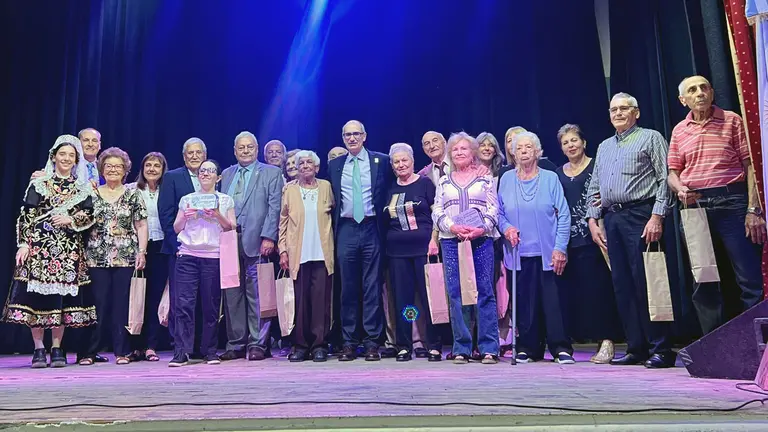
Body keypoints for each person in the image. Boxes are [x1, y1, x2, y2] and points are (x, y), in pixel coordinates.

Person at [668, 75, 766, 335]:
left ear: (712, 92)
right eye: (692, 90)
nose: (699, 93)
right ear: (683, 100)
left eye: (704, 87)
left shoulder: (732, 120)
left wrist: (753, 209)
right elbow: (672, 172)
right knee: (704, 279)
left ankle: (754, 343)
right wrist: (680, 189)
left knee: (748, 277)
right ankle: (713, 345)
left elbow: (751, 166)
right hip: (695, 206)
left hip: (732, 202)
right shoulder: (680, 130)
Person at [586, 92, 675, 369]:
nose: (618, 113)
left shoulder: (651, 137)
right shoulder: (604, 146)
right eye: (613, 109)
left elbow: (664, 179)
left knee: (648, 283)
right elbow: (594, 187)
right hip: (612, 219)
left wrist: (657, 215)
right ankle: (636, 347)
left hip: (641, 215)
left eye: (624, 108)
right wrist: (592, 220)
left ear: (636, 112)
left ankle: (661, 348)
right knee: (622, 286)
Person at [3, 134, 97, 368]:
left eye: (71, 155)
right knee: (36, 300)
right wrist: (23, 244)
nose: (66, 158)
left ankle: (57, 348)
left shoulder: (82, 189)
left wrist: (70, 219)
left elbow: (90, 215)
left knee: (61, 301)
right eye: (62, 154)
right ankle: (38, 349)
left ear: (76, 160)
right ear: (53, 156)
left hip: (68, 251)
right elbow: (26, 215)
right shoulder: (39, 183)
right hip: (39, 250)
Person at [498, 132, 574, 364]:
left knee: (553, 303)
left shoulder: (550, 177)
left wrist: (560, 247)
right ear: (512, 152)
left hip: (548, 252)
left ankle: (560, 348)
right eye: (518, 148)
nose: (523, 151)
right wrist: (507, 228)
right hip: (518, 252)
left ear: (538, 152)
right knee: (525, 302)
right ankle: (528, 348)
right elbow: (499, 213)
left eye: (528, 147)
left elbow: (564, 214)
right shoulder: (506, 179)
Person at [328, 120, 393, 361]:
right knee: (348, 287)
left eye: (356, 134)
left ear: (365, 136)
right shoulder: (334, 165)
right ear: (343, 138)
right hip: (346, 228)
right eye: (347, 135)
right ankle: (348, 341)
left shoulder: (381, 161)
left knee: (372, 286)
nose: (352, 138)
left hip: (371, 227)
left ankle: (372, 342)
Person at [555, 124, 621, 363]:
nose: (571, 145)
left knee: (601, 292)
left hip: (597, 237)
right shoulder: (557, 173)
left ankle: (608, 341)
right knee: (581, 295)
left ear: (583, 142)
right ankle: (584, 340)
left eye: (574, 140)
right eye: (565, 143)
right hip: (570, 241)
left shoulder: (597, 165)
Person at [433, 132, 500, 364]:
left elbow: (494, 208)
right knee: (456, 293)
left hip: (481, 239)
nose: (459, 152)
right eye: (455, 150)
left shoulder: (485, 178)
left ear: (472, 152)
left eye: (464, 148)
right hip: (452, 241)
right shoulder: (443, 180)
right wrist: (452, 226)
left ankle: (489, 347)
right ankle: (461, 346)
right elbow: (437, 211)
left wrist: (481, 228)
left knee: (484, 291)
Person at [80, 147, 148, 365]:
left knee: (121, 304)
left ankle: (122, 351)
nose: (113, 170)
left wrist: (142, 252)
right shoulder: (91, 193)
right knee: (98, 305)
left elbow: (141, 225)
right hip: (96, 257)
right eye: (108, 166)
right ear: (101, 169)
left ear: (125, 170)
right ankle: (90, 352)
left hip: (126, 256)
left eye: (118, 166)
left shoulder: (132, 194)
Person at [219, 131, 283, 361]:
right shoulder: (226, 174)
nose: (245, 151)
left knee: (258, 294)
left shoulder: (272, 173)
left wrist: (269, 237)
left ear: (257, 149)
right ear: (235, 150)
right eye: (241, 148)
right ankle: (236, 343)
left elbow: (275, 206)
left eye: (250, 147)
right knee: (232, 294)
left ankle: (258, 344)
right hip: (228, 242)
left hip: (258, 241)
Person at [170, 160, 236, 367]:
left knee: (211, 306)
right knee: (184, 305)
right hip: (188, 255)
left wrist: (217, 215)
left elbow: (231, 227)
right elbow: (176, 228)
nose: (206, 174)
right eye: (202, 171)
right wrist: (186, 217)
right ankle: (181, 352)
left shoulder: (225, 200)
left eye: (211, 171)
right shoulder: (187, 199)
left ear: (218, 177)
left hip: (213, 257)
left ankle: (210, 351)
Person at [384, 143, 443, 362]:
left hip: (424, 250)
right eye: (396, 162)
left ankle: (434, 344)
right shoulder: (389, 188)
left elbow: (437, 215)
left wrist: (433, 240)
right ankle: (404, 345)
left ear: (412, 162)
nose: (401, 165)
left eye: (404, 160)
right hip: (397, 253)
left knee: (429, 298)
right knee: (405, 302)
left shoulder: (425, 184)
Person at [278, 150, 334, 362]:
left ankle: (319, 345)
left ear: (317, 168)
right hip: (297, 253)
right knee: (299, 301)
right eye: (301, 163)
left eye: (309, 163)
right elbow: (283, 221)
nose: (305, 166)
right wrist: (282, 248)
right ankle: (300, 345)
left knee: (320, 301)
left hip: (321, 252)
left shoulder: (326, 187)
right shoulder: (289, 190)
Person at [157, 137, 206, 358]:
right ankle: (181, 347)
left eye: (198, 152)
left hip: (207, 250)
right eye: (190, 153)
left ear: (204, 155)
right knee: (181, 301)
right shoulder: (172, 177)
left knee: (203, 300)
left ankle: (200, 347)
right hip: (180, 249)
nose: (194, 156)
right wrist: (176, 243)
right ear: (184, 156)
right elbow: (166, 214)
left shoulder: (212, 176)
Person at [126, 152, 169, 362]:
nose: (152, 169)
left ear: (163, 170)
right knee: (136, 296)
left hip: (160, 247)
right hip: (136, 248)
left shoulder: (167, 190)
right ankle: (135, 346)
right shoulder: (131, 190)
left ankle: (151, 345)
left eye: (157, 166)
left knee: (154, 297)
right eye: (148, 165)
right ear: (142, 168)